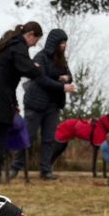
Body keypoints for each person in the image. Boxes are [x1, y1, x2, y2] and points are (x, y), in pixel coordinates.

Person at [0, 22, 43, 183]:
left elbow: (9, 77)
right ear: (31, 34)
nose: (34, 45)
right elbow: (27, 69)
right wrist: (37, 68)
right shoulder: (19, 46)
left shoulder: (8, 45)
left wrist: (14, 104)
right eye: (36, 40)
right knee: (0, 135)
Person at [22, 28, 77, 180]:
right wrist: (62, 86)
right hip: (36, 104)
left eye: (65, 43)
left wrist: (67, 78)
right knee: (28, 136)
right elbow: (41, 79)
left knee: (48, 139)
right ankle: (17, 166)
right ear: (55, 43)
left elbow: (69, 75)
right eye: (62, 43)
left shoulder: (61, 60)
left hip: (53, 105)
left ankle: (45, 170)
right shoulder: (41, 57)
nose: (64, 46)